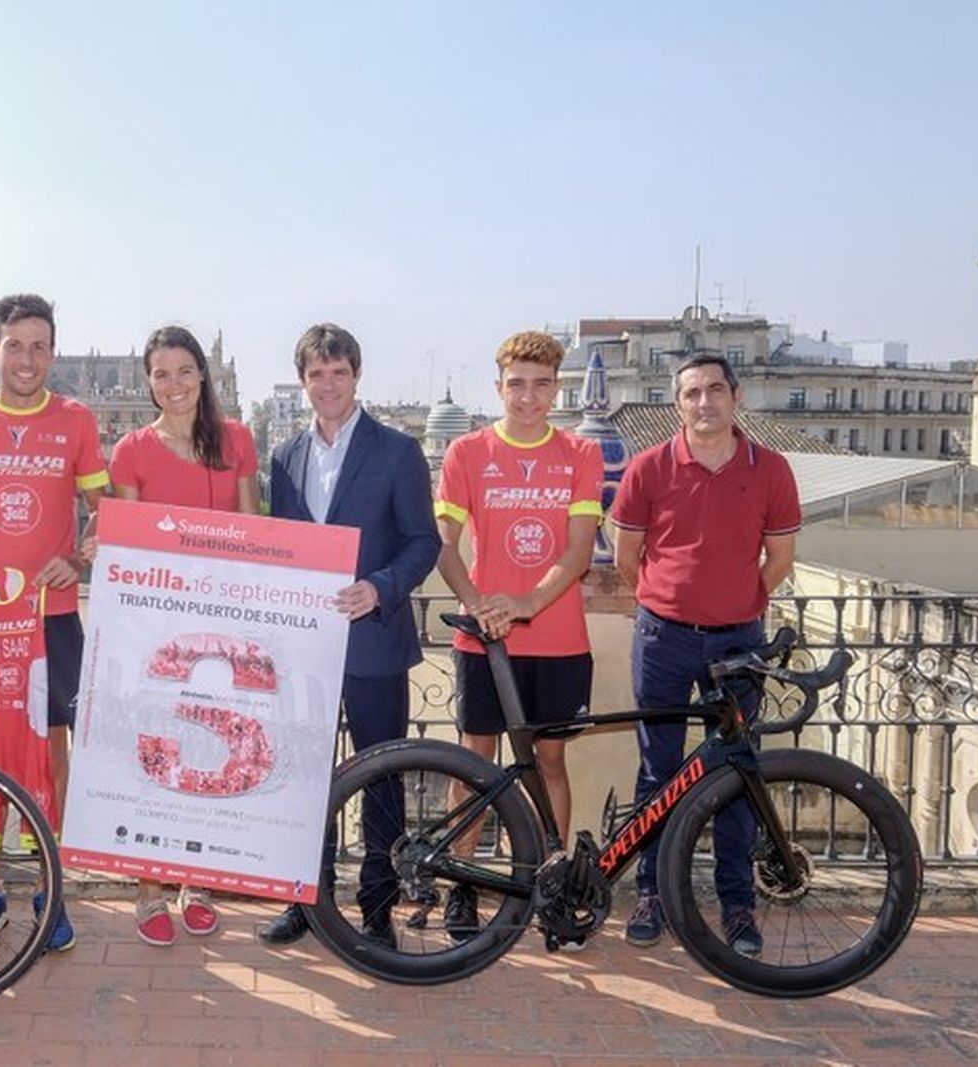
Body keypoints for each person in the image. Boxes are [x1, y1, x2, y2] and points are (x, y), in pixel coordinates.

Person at [611, 352, 801, 957]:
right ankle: (652, 893)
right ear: (678, 404)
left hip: (738, 641)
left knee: (737, 775)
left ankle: (737, 905)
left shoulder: (770, 469)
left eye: (715, 390)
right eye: (692, 393)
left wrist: (737, 604)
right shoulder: (648, 468)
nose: (704, 403)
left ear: (736, 397)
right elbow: (625, 558)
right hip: (662, 638)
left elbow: (781, 562)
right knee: (657, 771)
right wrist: (671, 601)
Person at [0, 293, 108, 954]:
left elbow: (104, 506)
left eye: (39, 345)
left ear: (53, 352)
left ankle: (47, 883)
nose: (27, 358)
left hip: (53, 616)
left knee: (50, 753)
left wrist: (76, 556)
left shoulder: (77, 419)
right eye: (16, 345)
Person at [259, 323, 441, 948]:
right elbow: (281, 549)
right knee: (303, 777)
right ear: (303, 380)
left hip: (374, 641)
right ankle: (306, 902)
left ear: (356, 376)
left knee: (381, 778)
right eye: (317, 374)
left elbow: (425, 542)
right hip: (304, 646)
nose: (328, 384)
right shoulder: (284, 457)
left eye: (339, 372)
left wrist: (381, 587)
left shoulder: (398, 451)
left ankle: (377, 907)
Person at [433, 330, 602, 946]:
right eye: (516, 385)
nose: (528, 397)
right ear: (498, 387)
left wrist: (528, 604)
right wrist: (478, 606)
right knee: (474, 762)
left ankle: (550, 888)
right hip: (487, 640)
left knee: (548, 763)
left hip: (556, 639)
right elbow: (444, 545)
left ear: (557, 388)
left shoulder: (581, 454)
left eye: (541, 385)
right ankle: (461, 886)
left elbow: (579, 551)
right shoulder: (467, 453)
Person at [108, 324, 260, 946]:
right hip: (157, 629)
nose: (174, 384)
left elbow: (254, 529)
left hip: (221, 629)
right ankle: (149, 889)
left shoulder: (238, 442)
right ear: (148, 383)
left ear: (205, 375)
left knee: (207, 752)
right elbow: (126, 540)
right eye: (161, 374)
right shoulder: (131, 451)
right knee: (157, 752)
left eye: (184, 371)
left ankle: (195, 881)